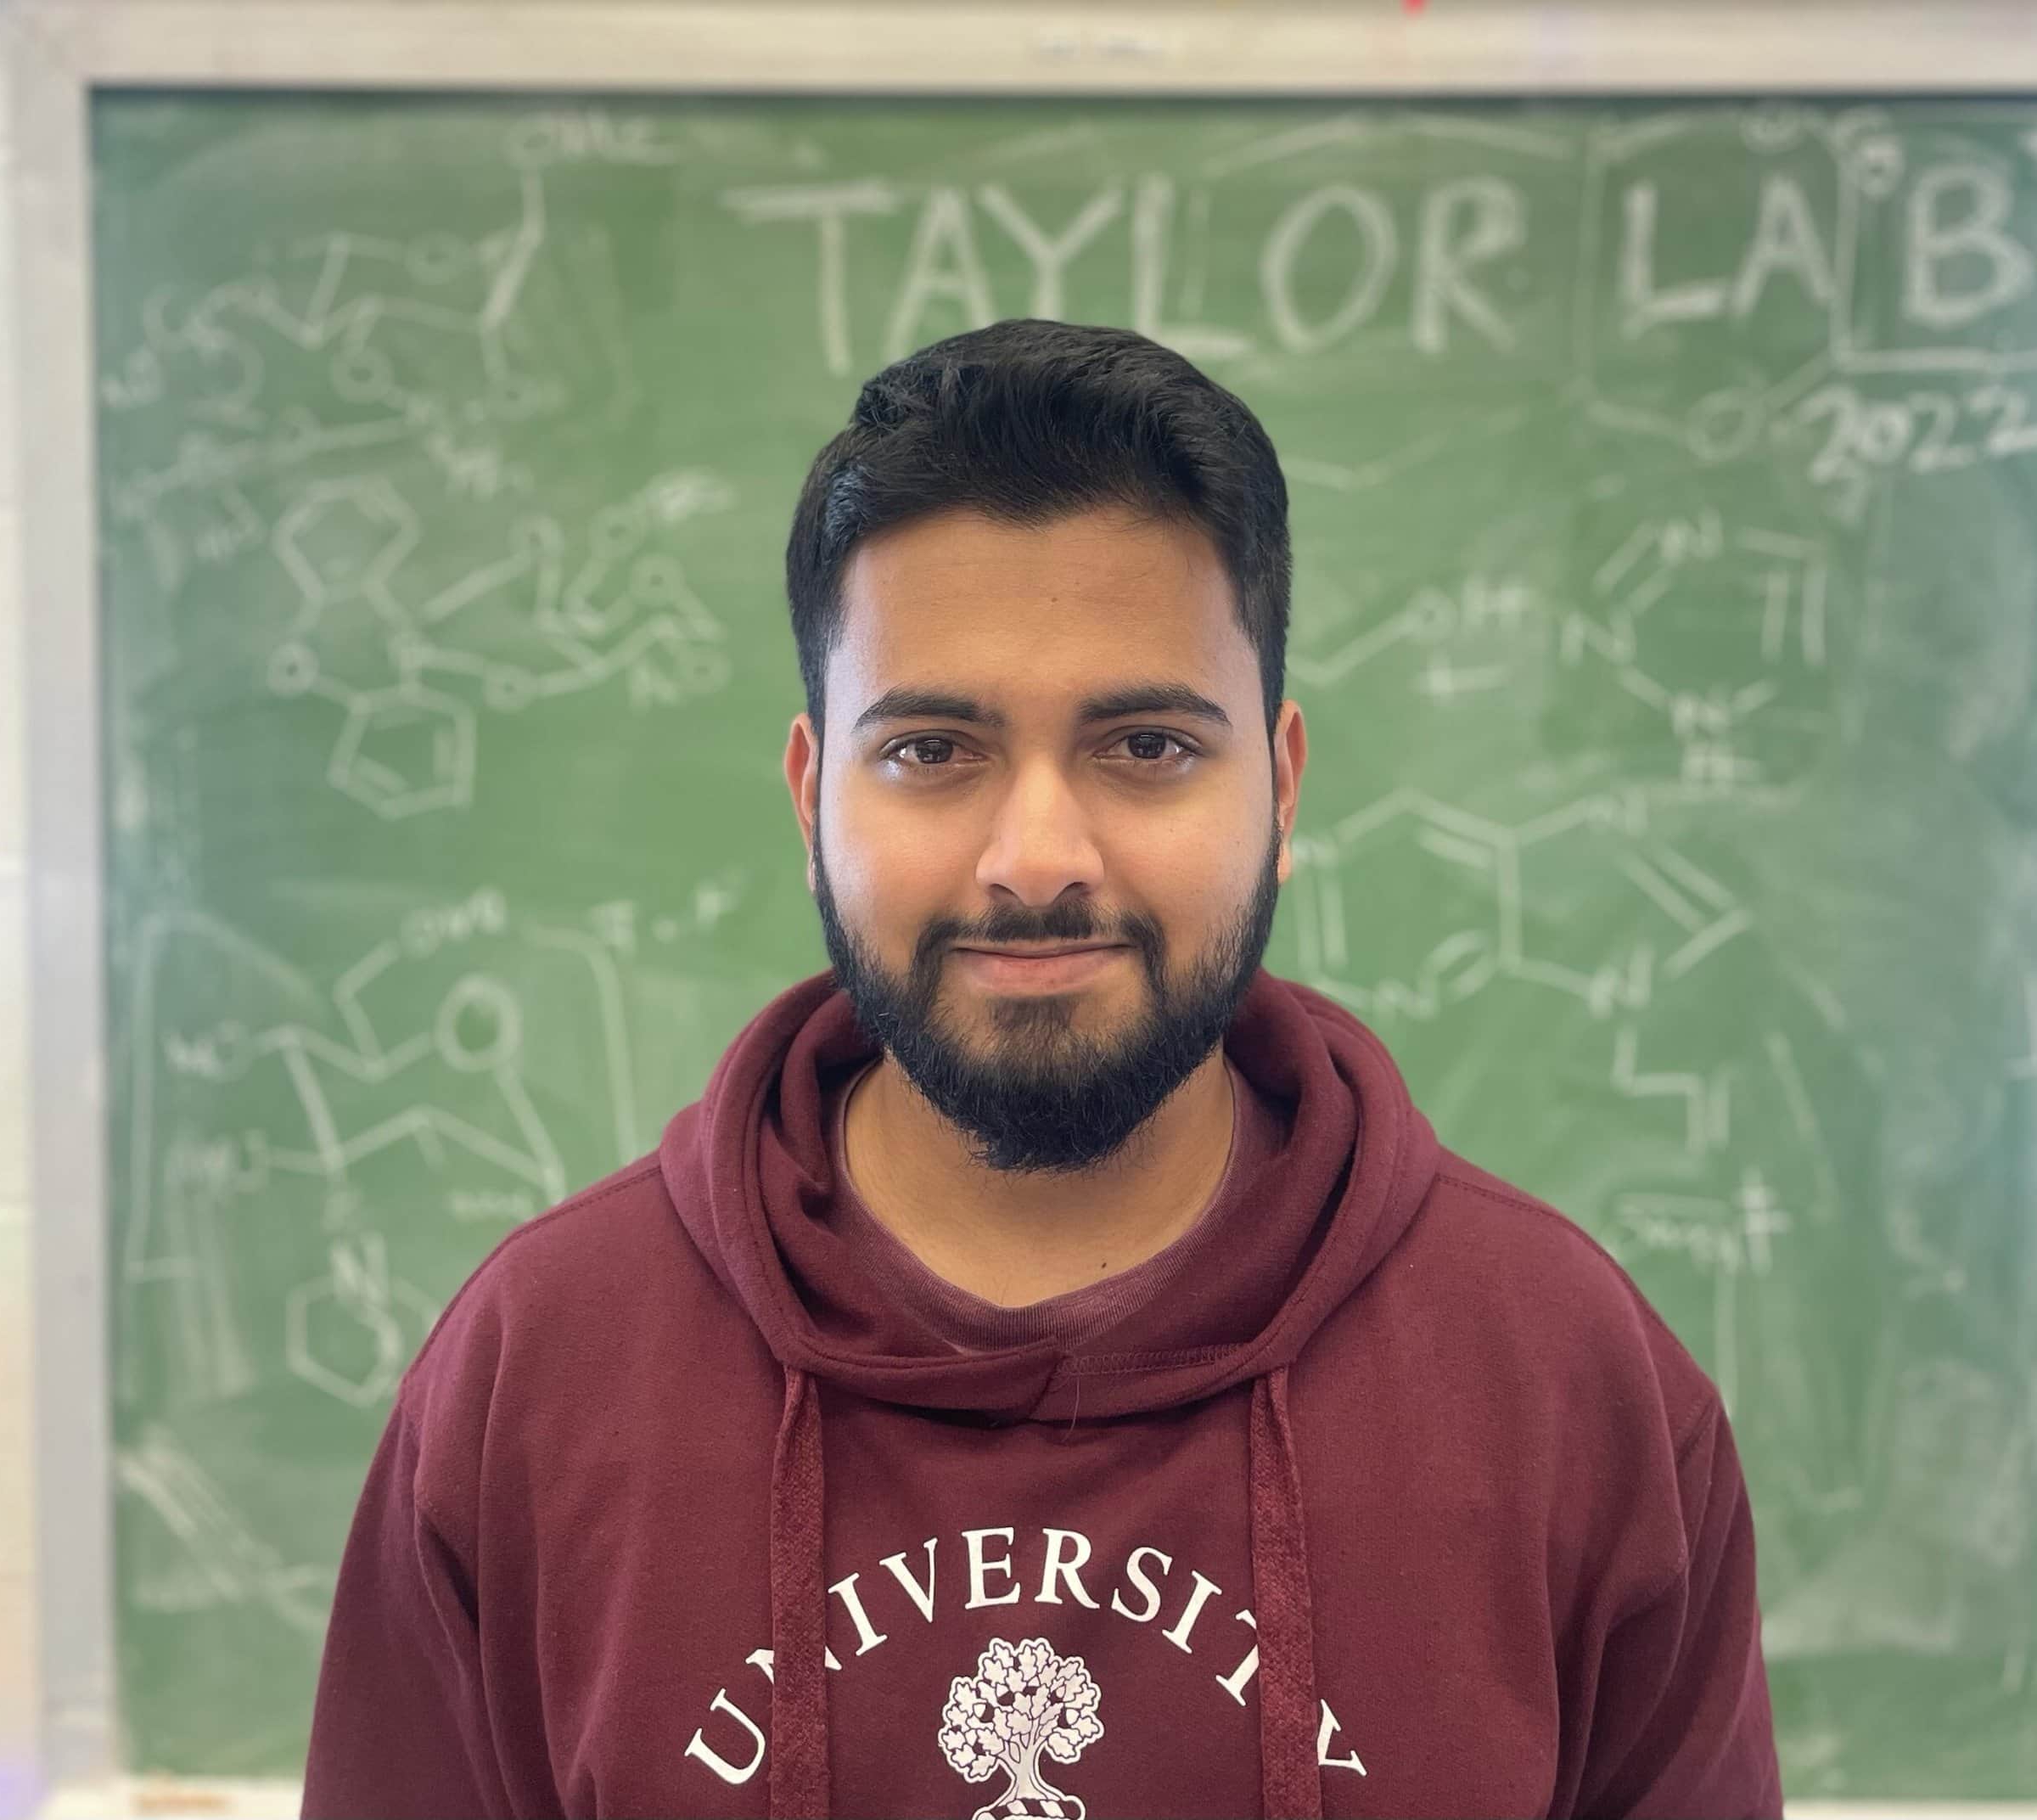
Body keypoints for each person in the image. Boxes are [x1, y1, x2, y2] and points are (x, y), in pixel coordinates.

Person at [300, 319, 1784, 1820]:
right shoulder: (539, 1372)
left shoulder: (1563, 1378)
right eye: (932, 750)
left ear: (1277, 783)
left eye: (1143, 747)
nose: (1034, 862)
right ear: (815, 791)